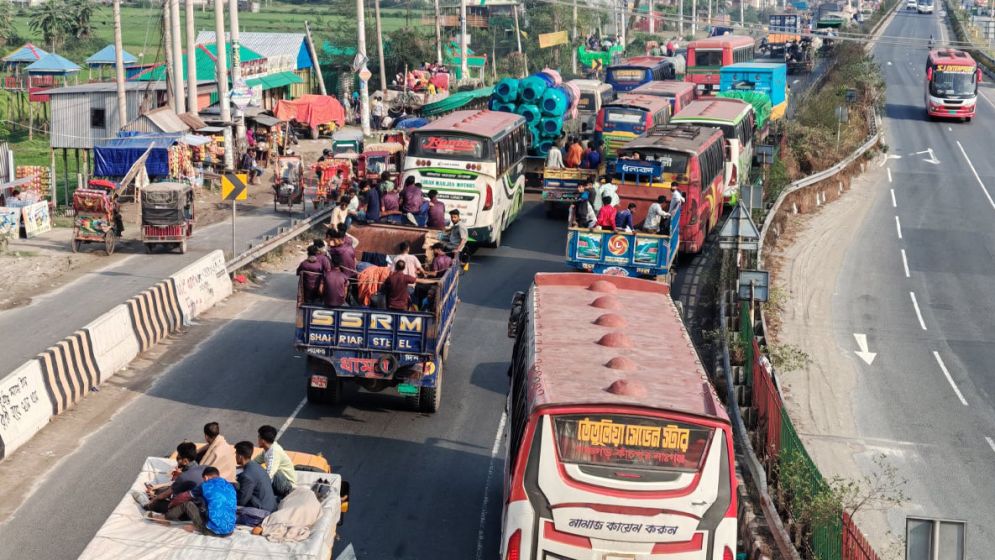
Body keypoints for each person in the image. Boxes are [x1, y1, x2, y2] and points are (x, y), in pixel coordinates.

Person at [138, 442, 206, 515]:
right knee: (160, 491)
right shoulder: (199, 467)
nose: (177, 458)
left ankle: (146, 505)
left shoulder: (184, 476)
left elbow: (169, 495)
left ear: (185, 461)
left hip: (191, 509)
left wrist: (155, 499)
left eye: (179, 456)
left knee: (157, 504)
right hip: (200, 503)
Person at [182, 467, 236, 536]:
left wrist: (172, 503)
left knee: (187, 504)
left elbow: (184, 496)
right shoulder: (230, 486)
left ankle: (167, 516)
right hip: (229, 531)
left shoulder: (205, 485)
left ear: (206, 477)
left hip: (212, 531)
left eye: (204, 480)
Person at [234, 440, 277, 514]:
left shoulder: (247, 476)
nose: (235, 456)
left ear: (240, 456)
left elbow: (241, 501)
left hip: (263, 511)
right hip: (271, 505)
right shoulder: (256, 466)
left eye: (236, 454)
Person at [254, 425, 297, 498]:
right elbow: (255, 462)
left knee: (269, 474)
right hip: (279, 481)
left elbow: (269, 475)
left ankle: (280, 495)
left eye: (258, 437)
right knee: (259, 471)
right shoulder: (267, 449)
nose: (257, 439)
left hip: (287, 485)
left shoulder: (274, 452)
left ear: (263, 440)